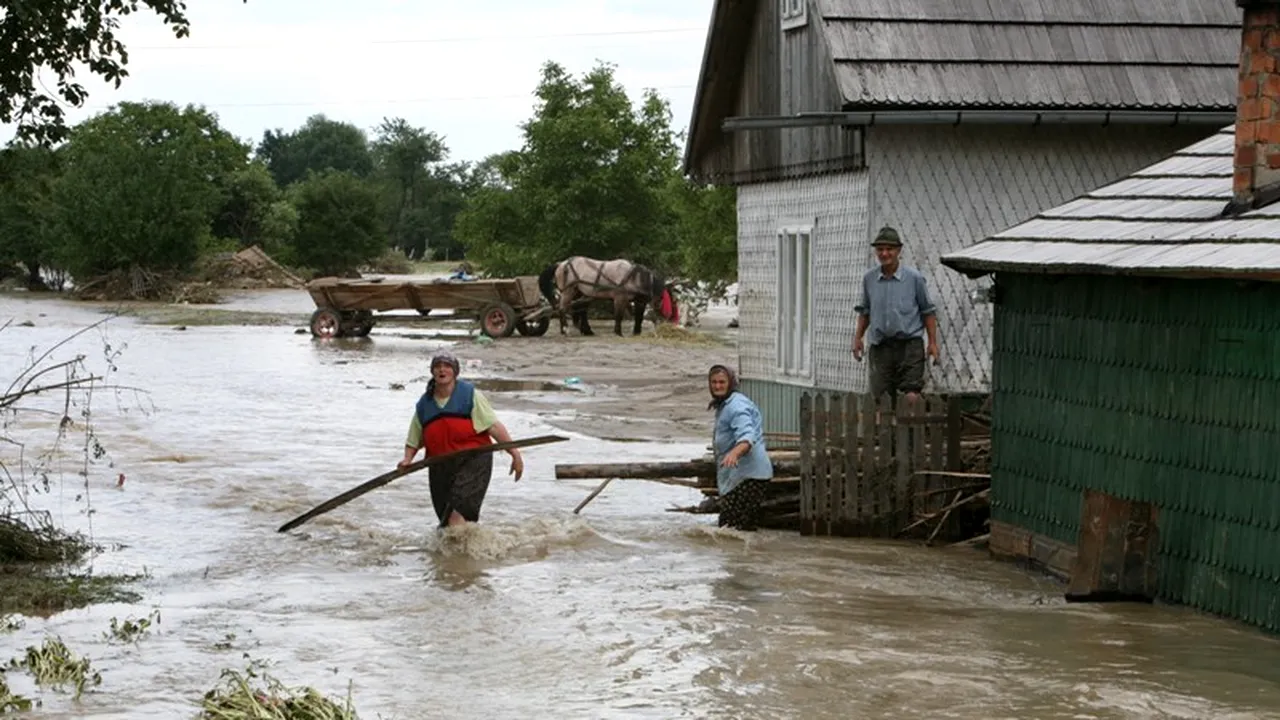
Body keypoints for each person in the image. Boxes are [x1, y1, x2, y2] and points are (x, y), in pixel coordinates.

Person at [398, 351, 524, 528]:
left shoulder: (469, 395)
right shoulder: (425, 404)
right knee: (445, 523)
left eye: (447, 366)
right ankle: (463, 553)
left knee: (457, 516)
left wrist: (515, 454)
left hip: (473, 461)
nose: (442, 370)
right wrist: (407, 459)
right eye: (438, 366)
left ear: (455, 372)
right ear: (432, 372)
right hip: (439, 465)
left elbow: (493, 426)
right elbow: (414, 438)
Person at [852, 225, 940, 404]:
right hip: (881, 347)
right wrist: (858, 338)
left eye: (889, 249)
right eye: (880, 249)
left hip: (909, 345)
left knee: (911, 395)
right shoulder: (869, 279)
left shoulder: (914, 278)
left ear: (898, 250)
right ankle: (885, 432)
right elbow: (865, 311)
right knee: (881, 399)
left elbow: (928, 311)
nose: (884, 254)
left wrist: (932, 342)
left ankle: (910, 431)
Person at [707, 364, 773, 531]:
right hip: (741, 476)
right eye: (714, 382)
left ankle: (740, 556)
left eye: (722, 382)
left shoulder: (736, 406)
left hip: (748, 477)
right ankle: (742, 557)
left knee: (730, 528)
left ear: (731, 382)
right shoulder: (726, 404)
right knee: (736, 531)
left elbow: (747, 436)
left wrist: (734, 454)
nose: (717, 386)